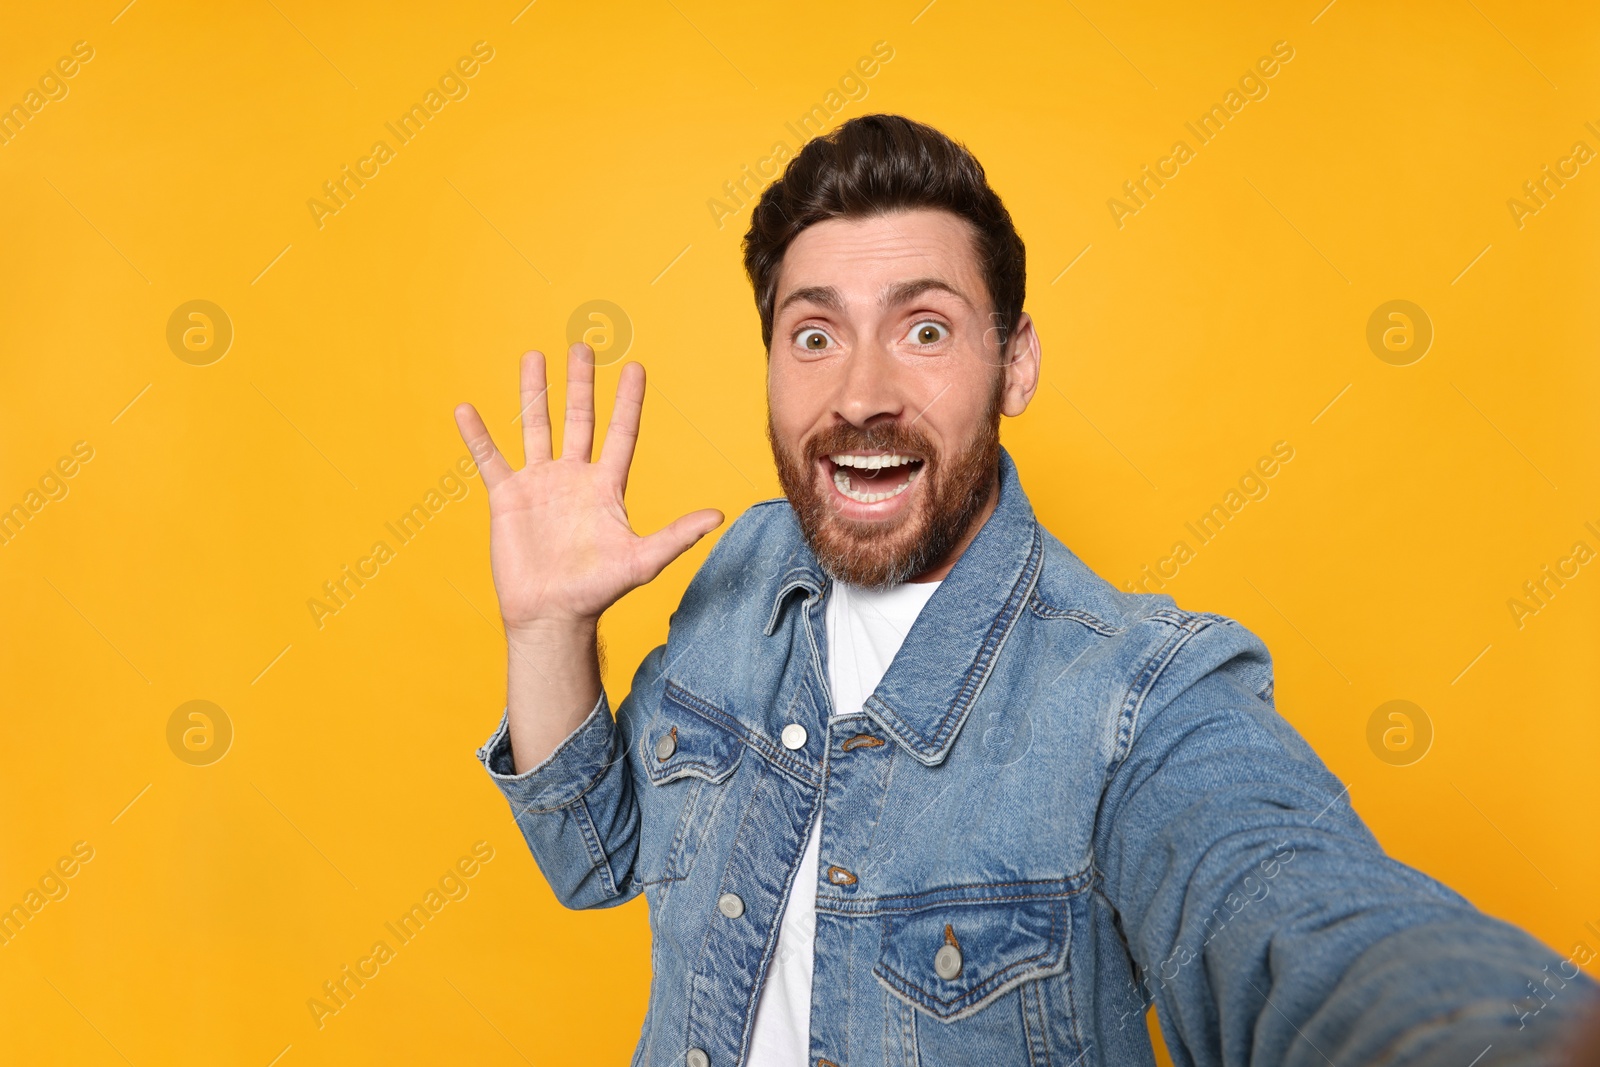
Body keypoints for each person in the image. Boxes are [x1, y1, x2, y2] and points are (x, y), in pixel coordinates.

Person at [453, 115, 1597, 1067]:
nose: (860, 392)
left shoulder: (1139, 697)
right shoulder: (744, 566)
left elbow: (1290, 910)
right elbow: (590, 860)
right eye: (813, 335)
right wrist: (550, 626)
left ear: (1016, 362)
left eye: (926, 327)